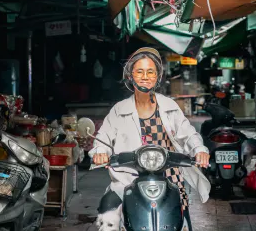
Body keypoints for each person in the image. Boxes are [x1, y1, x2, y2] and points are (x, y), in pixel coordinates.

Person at [89, 47, 211, 231]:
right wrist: (100, 152)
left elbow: (188, 133)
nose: (145, 76)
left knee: (181, 220)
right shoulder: (119, 110)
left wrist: (199, 149)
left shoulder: (169, 106)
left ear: (157, 76)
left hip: (169, 177)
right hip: (129, 178)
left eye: (150, 71)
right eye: (139, 71)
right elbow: (102, 139)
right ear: (130, 76)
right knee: (108, 215)